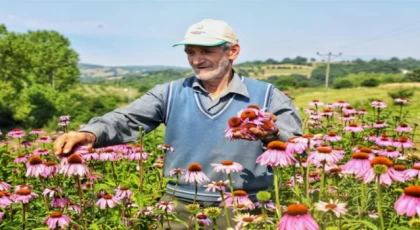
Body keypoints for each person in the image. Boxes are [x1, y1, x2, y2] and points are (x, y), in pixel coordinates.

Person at [53, 18, 302, 229]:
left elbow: (298, 145)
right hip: (179, 207)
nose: (197, 60)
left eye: (207, 51)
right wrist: (88, 134)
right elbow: (126, 119)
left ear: (233, 52)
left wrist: (271, 134)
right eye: (190, 52)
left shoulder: (266, 95)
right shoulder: (170, 93)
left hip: (245, 207)